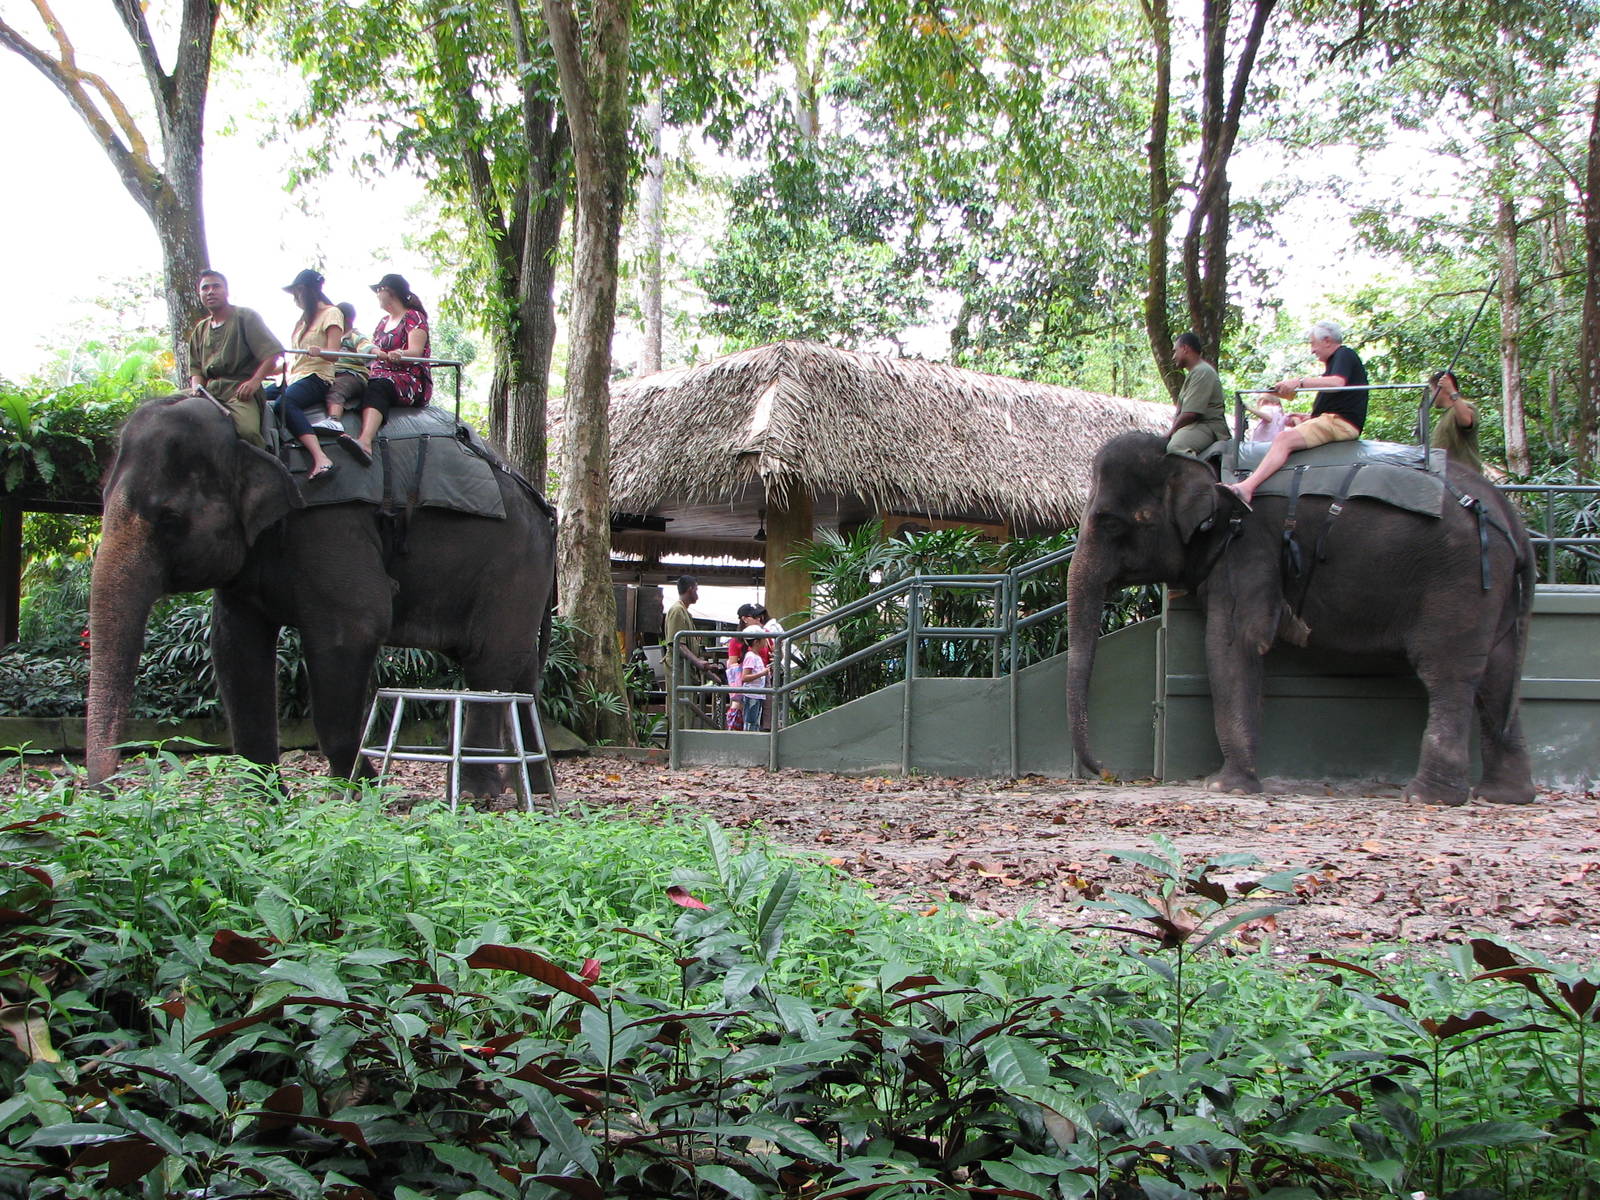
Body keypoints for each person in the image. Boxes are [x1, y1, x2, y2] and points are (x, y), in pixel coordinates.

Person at [1227, 320, 1368, 507]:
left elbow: (1337, 384)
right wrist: (1308, 418)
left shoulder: (1344, 354)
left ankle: (1246, 488)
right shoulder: (1335, 362)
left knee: (1284, 439)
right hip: (1333, 420)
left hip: (1340, 423)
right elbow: (1339, 398)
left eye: (1312, 343)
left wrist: (1299, 382)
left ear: (1327, 340)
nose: (1312, 350)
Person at [186, 270, 282, 447]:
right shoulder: (200, 329)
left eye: (216, 286)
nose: (210, 291)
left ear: (227, 291)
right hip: (209, 391)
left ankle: (260, 468)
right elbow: (196, 368)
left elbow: (272, 354)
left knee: (247, 431)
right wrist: (196, 389)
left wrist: (254, 382)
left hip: (239, 392)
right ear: (199, 294)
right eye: (205, 288)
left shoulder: (245, 317)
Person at [263, 268, 342, 482]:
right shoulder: (302, 321)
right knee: (257, 396)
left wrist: (321, 351)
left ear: (305, 290)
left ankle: (320, 457)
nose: (295, 299)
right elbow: (296, 359)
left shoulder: (331, 313)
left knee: (284, 405)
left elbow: (334, 354)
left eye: (297, 293)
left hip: (317, 376)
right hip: (293, 376)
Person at [306, 301, 383, 467]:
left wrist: (376, 352)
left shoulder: (353, 336)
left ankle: (334, 419)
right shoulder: (331, 339)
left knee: (337, 390)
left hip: (352, 375)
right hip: (332, 374)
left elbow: (366, 346)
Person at [365, 273, 433, 423]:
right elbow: (374, 348)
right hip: (377, 373)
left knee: (379, 386)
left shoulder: (413, 317)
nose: (377, 295)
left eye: (379, 290)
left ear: (390, 291)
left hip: (408, 377)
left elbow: (416, 352)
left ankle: (365, 440)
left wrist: (400, 353)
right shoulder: (382, 322)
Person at [663, 575, 717, 729]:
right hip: (678, 669)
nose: (697, 594)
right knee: (681, 709)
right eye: (697, 590)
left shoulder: (685, 612)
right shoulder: (677, 611)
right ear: (690, 589)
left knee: (688, 708)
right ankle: (678, 746)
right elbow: (677, 644)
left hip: (687, 670)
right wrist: (698, 662)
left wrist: (705, 669)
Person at [1165, 332, 1229, 457]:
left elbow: (1191, 413)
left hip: (1208, 426)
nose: (1173, 357)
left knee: (1176, 447)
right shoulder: (1195, 373)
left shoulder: (1202, 371)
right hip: (1197, 426)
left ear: (1185, 349)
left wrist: (1171, 432)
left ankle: (1198, 476)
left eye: (1175, 351)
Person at [1428, 369, 1482, 473]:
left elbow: (1466, 421)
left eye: (1432, 391)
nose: (1432, 396)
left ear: (1441, 389)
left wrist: (1451, 390)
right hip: (1448, 479)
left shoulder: (1465, 407)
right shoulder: (1446, 415)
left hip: (1465, 480)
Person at [738, 633, 770, 731]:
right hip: (752, 694)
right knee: (751, 721)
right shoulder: (751, 656)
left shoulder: (756, 656)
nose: (766, 642)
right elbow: (744, 677)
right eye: (764, 640)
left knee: (755, 721)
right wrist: (762, 673)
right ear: (756, 642)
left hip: (758, 694)